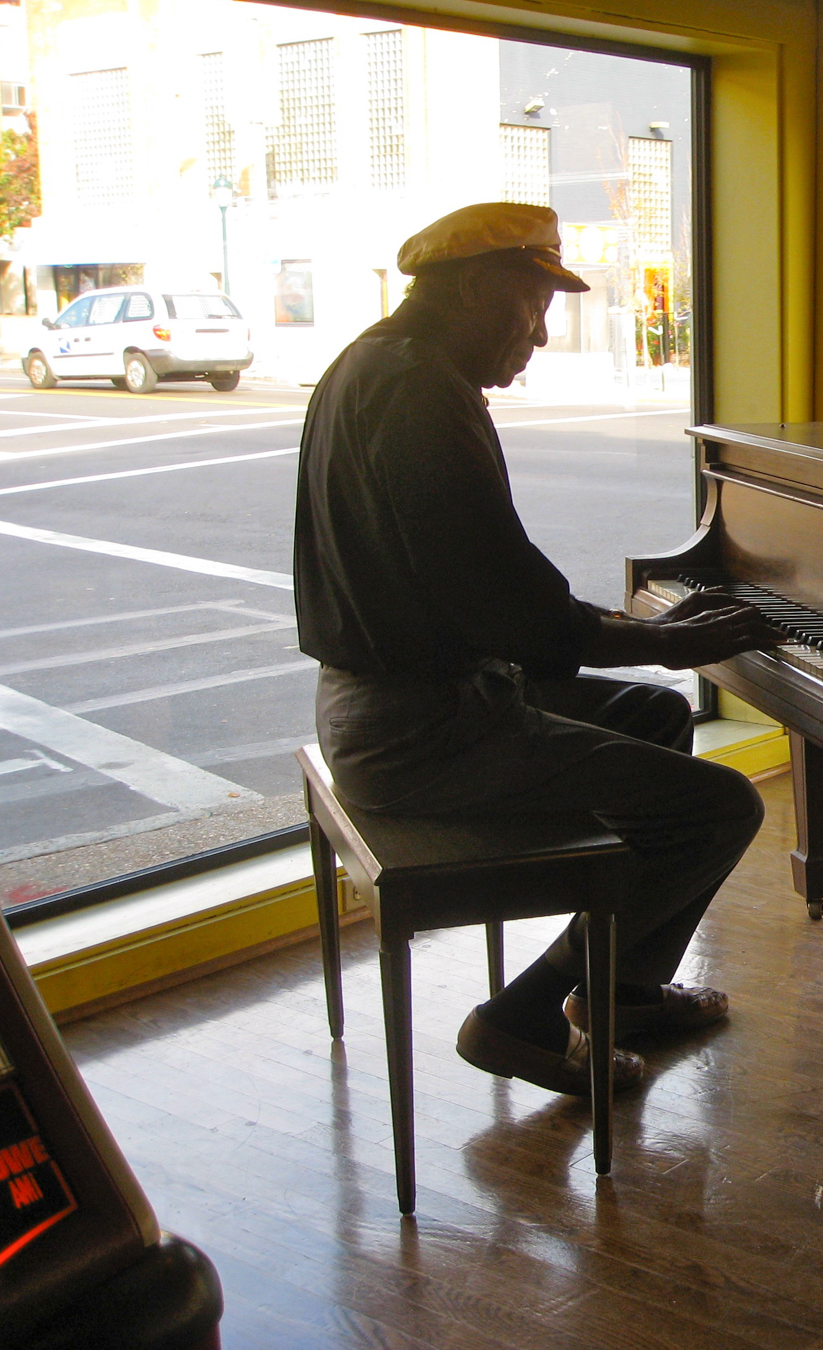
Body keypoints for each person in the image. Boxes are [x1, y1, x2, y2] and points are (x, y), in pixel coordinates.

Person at [292, 202, 783, 1096]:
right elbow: (510, 610)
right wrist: (663, 640)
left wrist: (650, 649)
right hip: (421, 730)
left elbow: (493, 593)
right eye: (535, 305)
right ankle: (520, 1016)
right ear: (478, 289)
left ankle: (623, 988)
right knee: (719, 810)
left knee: (657, 719)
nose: (543, 335)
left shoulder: (379, 363)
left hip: (405, 702)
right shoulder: (419, 400)